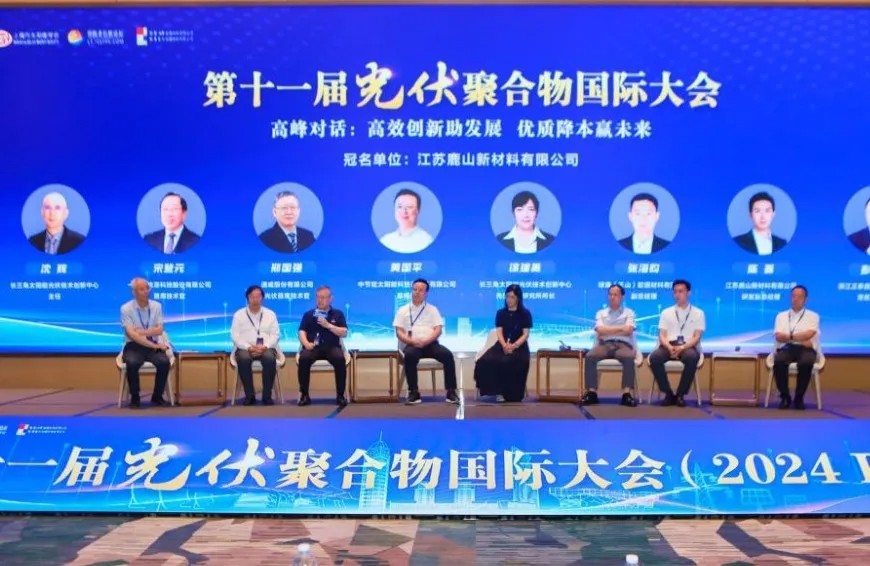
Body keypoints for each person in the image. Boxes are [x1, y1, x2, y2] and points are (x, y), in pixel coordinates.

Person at [394, 278, 459, 404]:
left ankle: (451, 392)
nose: (416, 292)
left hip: (430, 344)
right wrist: (412, 341)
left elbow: (438, 330)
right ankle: (414, 392)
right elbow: (399, 332)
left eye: (420, 290)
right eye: (414, 289)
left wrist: (426, 341)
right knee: (410, 355)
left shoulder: (432, 309)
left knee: (447, 355)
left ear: (426, 293)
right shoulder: (402, 310)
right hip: (412, 344)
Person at [649, 279, 705, 407]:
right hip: (668, 345)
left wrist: (682, 347)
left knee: (692, 357)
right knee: (655, 357)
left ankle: (680, 394)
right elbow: (662, 335)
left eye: (681, 291)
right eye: (675, 292)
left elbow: (697, 337)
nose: (677, 294)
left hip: (688, 345)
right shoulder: (666, 312)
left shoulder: (698, 313)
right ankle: (668, 393)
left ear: (688, 293)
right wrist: (669, 347)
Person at [582, 284, 639, 407]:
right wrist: (620, 328)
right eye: (610, 294)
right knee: (590, 356)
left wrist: (608, 330)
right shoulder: (601, 313)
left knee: (629, 357)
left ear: (622, 297)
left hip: (623, 344)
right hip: (605, 344)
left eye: (615, 295)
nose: (612, 297)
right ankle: (592, 393)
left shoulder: (629, 313)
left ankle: (626, 394)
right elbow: (600, 330)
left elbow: (628, 330)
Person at [473, 284, 532, 402]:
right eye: (507, 296)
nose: (509, 300)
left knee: (507, 361)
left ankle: (509, 394)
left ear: (518, 298)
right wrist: (504, 345)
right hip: (502, 344)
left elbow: (525, 334)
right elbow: (499, 332)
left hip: (519, 347)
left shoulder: (525, 314)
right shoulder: (500, 313)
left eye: (512, 297)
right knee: (484, 361)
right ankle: (495, 391)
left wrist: (514, 346)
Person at [120, 277, 170, 408]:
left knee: (164, 362)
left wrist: (140, 331)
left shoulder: (157, 306)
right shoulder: (126, 308)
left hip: (152, 343)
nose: (146, 291)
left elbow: (159, 330)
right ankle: (135, 397)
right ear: (134, 292)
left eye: (147, 288)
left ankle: (157, 397)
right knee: (132, 363)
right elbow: (132, 335)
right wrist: (154, 343)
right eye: (141, 289)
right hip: (134, 345)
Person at [297, 285, 349, 407]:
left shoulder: (338, 314)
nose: (320, 300)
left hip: (331, 347)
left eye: (324, 297)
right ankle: (304, 395)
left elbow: (344, 332)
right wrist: (306, 343)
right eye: (318, 297)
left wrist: (328, 326)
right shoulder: (309, 315)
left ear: (331, 299)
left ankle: (340, 395)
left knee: (339, 358)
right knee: (304, 358)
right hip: (313, 347)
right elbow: (301, 331)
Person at [772, 285, 820, 410]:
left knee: (806, 362)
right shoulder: (781, 316)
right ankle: (785, 397)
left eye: (799, 296)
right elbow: (779, 336)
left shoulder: (813, 316)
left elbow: (809, 334)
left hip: (806, 349)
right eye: (793, 296)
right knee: (779, 360)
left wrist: (788, 336)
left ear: (806, 299)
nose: (796, 299)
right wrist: (799, 338)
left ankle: (799, 398)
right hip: (787, 347)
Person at [230, 285, 280, 405]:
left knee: (269, 358)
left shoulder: (270, 314)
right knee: (244, 359)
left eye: (258, 296)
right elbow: (235, 336)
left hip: (265, 348)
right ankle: (249, 396)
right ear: (247, 298)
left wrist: (265, 346)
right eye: (252, 297)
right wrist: (249, 347)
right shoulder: (239, 315)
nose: (255, 299)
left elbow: (275, 335)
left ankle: (267, 396)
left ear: (262, 298)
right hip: (245, 348)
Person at [379, 189, 434, 253]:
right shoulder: (386, 240)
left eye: (409, 207)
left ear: (418, 211)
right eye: (399, 207)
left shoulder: (427, 241)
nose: (404, 211)